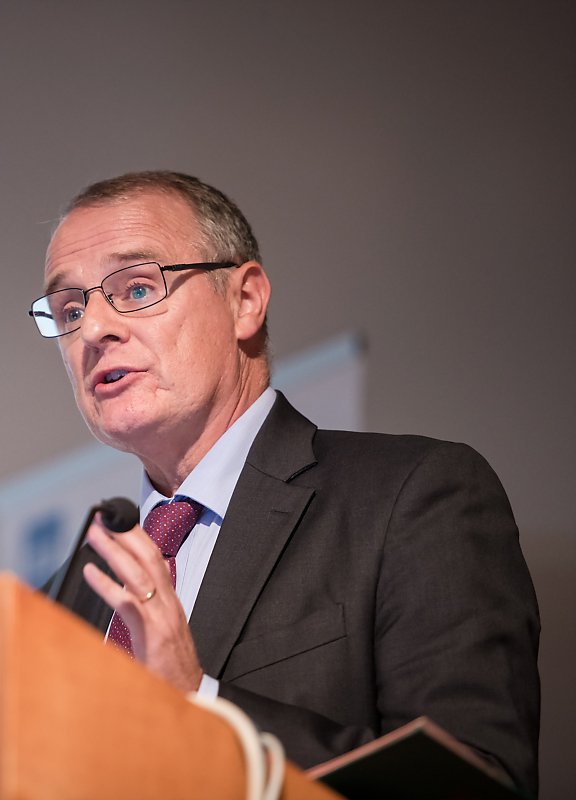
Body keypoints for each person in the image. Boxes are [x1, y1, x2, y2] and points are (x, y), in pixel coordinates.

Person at [31, 171, 540, 793]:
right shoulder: (62, 598)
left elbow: (475, 781)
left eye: (137, 288)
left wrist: (200, 703)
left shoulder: (413, 498)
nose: (93, 330)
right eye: (70, 309)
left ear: (245, 301)